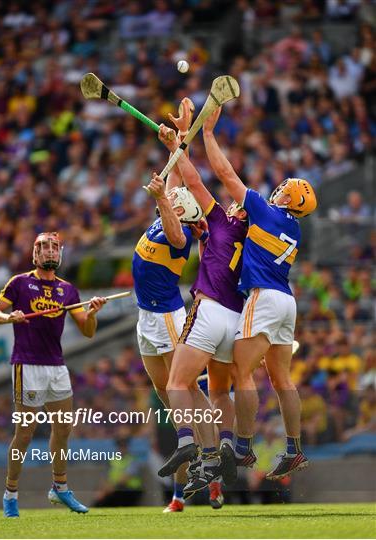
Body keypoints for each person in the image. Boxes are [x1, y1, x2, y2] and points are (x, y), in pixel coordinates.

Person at [202, 107, 317, 480]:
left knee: (241, 371)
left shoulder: (266, 211)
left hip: (264, 297)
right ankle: (294, 448)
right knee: (283, 380)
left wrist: (207, 135)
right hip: (288, 302)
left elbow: (225, 174)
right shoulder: (294, 229)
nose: (279, 186)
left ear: (288, 199)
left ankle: (243, 446)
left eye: (285, 187)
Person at [152, 124, 248, 499]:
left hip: (208, 311)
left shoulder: (225, 220)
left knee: (177, 384)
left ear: (237, 212)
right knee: (220, 392)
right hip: (236, 320)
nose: (232, 203)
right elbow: (199, 230)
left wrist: (179, 145)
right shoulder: (250, 237)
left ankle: (187, 442)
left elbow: (192, 182)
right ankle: (222, 446)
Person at [0, 232, 107, 517]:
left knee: (63, 429)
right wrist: (8, 317)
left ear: (60, 253)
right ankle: (10, 493)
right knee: (25, 434)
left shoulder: (68, 290)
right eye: (42, 247)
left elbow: (88, 333)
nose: (48, 251)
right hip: (27, 365)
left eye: (53, 247)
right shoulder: (19, 283)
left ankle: (60, 488)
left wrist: (92, 314)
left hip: (57, 366)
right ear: (34, 254)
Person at [132, 98, 208, 513]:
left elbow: (179, 234)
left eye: (178, 200)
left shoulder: (179, 233)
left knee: (186, 393)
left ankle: (208, 455)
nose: (175, 196)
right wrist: (176, 141)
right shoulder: (170, 209)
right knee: (166, 396)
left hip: (167, 315)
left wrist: (164, 195)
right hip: (146, 318)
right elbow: (181, 174)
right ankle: (183, 487)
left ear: (186, 211)